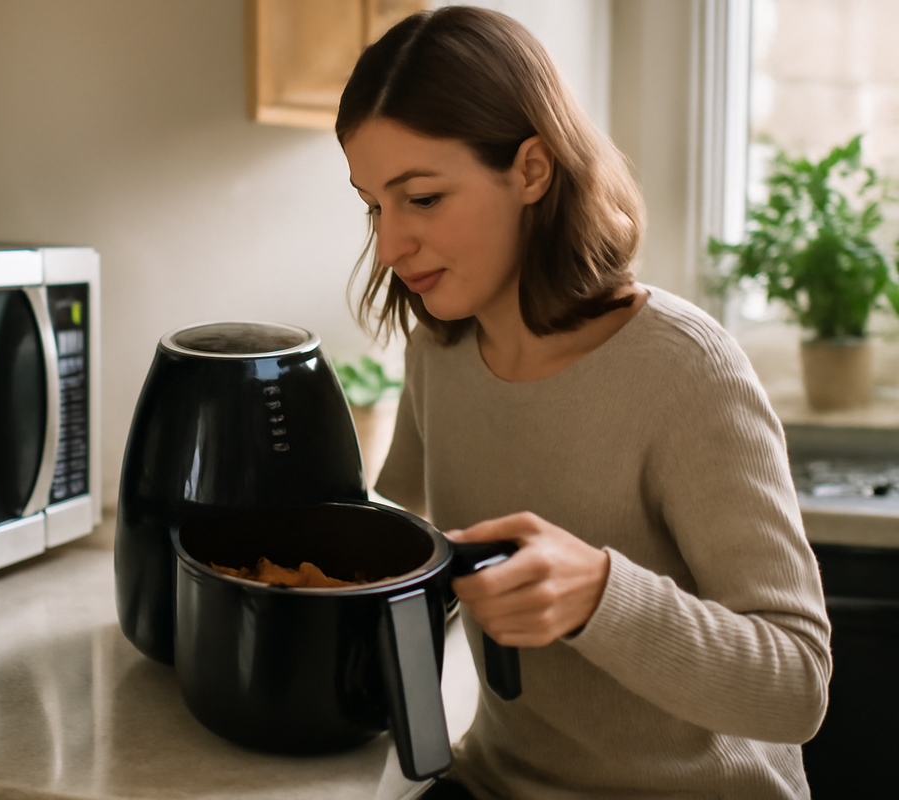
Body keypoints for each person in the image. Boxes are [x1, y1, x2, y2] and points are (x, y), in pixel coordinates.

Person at [335, 7, 831, 799]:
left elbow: (797, 684)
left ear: (532, 170)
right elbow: (404, 546)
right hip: (502, 783)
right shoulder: (440, 350)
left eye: (422, 198)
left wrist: (602, 594)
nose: (391, 246)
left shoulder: (686, 371)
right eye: (374, 205)